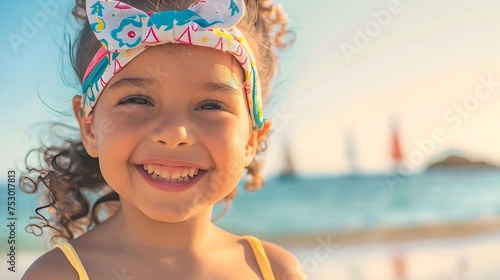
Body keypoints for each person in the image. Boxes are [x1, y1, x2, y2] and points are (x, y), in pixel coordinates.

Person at [21, 0, 303, 279]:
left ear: (251, 141)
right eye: (137, 100)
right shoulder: (55, 275)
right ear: (90, 127)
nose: (174, 134)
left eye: (210, 106)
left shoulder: (276, 271)